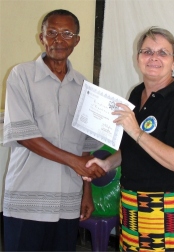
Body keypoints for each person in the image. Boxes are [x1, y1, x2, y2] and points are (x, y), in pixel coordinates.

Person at [86, 27, 174, 251]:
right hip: (131, 203)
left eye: (162, 53)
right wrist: (107, 163)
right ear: (138, 58)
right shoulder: (137, 94)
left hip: (168, 207)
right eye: (147, 51)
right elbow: (132, 148)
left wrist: (137, 131)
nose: (154, 58)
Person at [3, 9, 105, 251]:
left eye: (67, 33)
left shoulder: (85, 88)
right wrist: (74, 161)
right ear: (42, 38)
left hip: (67, 202)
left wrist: (86, 192)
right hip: (27, 199)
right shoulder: (21, 76)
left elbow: (85, 152)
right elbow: (25, 136)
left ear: (77, 40)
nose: (59, 40)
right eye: (52, 33)